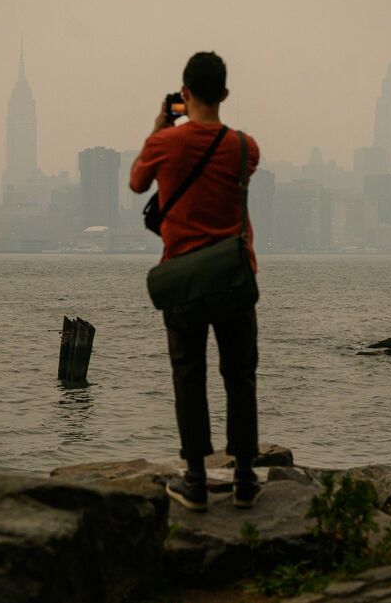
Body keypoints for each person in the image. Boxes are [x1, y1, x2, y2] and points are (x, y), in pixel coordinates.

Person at [129, 51, 262, 511]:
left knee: (189, 375)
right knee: (240, 376)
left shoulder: (167, 143)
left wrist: (162, 124)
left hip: (183, 278)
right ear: (225, 93)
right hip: (233, 276)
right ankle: (245, 478)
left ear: (184, 94)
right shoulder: (246, 147)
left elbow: (136, 182)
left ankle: (196, 481)